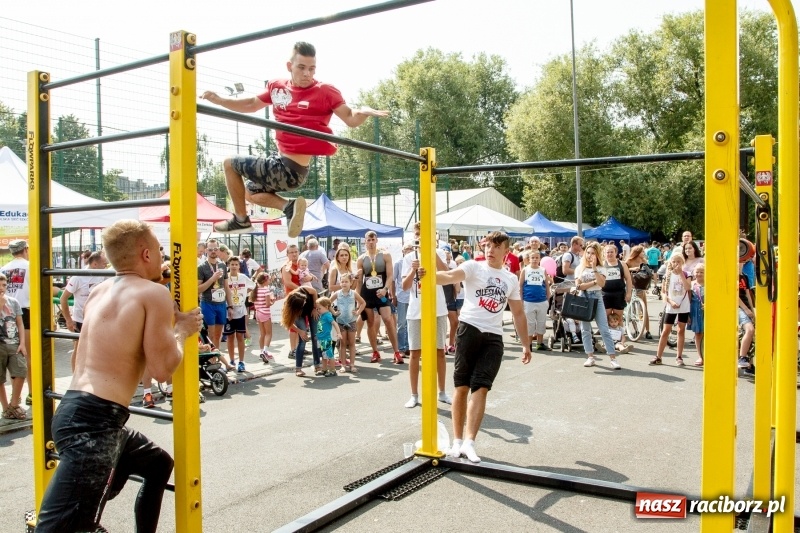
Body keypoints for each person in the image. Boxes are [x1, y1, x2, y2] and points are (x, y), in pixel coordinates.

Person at [35, 220, 203, 533]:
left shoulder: (100, 290)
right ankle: (94, 489)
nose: (163, 256)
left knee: (158, 464)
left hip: (78, 408)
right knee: (60, 529)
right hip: (95, 423)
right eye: (159, 249)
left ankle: (102, 480)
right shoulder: (153, 294)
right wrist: (181, 330)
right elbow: (162, 371)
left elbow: (77, 358)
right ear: (146, 254)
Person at [200, 41, 389, 237]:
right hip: (283, 165)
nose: (307, 73)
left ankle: (240, 220)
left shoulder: (325, 91)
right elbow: (250, 104)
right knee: (250, 193)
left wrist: (363, 112)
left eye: (312, 68)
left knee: (229, 164)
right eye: (301, 68)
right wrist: (220, 100)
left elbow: (350, 117)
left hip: (287, 169)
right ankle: (288, 207)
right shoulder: (278, 88)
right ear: (289, 67)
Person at [435, 231, 531, 463]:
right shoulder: (473, 267)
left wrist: (526, 344)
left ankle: (469, 442)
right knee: (462, 387)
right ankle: (457, 441)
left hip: (493, 337)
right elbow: (448, 276)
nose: (491, 250)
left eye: (497, 246)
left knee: (481, 388)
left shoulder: (509, 279)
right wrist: (429, 274)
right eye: (488, 245)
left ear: (506, 251)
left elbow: (518, 313)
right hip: (469, 330)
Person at [402, 237, 451, 408]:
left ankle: (442, 392)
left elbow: (447, 274)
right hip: (416, 311)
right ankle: (414, 395)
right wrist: (413, 271)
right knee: (415, 352)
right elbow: (404, 286)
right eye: (418, 236)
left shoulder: (439, 253)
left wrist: (433, 255)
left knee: (439, 351)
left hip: (438, 309)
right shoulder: (409, 257)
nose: (421, 239)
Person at [356, 231, 403, 364]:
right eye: (368, 240)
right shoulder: (361, 259)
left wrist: (385, 289)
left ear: (376, 240)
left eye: (372, 239)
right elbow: (359, 281)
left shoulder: (385, 255)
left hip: (381, 293)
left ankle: (397, 352)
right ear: (364, 241)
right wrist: (358, 299)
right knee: (370, 323)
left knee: (388, 320)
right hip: (367, 294)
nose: (370, 242)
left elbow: (390, 276)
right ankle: (375, 352)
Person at [574, 242, 620, 369]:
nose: (590, 255)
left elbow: (602, 284)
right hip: (584, 297)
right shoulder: (580, 268)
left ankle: (613, 358)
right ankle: (590, 357)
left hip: (597, 297)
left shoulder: (601, 268)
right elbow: (579, 286)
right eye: (588, 253)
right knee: (585, 329)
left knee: (604, 329)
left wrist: (594, 269)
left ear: (597, 255)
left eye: (593, 253)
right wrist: (593, 282)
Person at [60, 251, 107, 365]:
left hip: (99, 319)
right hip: (81, 319)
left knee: (98, 349)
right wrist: (69, 320)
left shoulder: (106, 275)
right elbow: (63, 298)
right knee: (79, 349)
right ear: (95, 264)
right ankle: (75, 378)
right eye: (104, 263)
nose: (106, 266)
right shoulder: (78, 277)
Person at [1, 239, 32, 406]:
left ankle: (15, 396)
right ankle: (32, 393)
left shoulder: (4, 269)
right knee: (27, 356)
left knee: (13, 356)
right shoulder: (30, 266)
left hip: (6, 313)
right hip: (26, 312)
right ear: (26, 249)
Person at [651, 253, 691, 366]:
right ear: (670, 263)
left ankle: (679, 356)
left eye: (678, 262)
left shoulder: (687, 274)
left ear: (682, 263)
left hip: (684, 306)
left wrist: (681, 275)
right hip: (671, 306)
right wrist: (670, 301)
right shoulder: (667, 275)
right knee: (665, 330)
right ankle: (658, 356)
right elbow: (663, 293)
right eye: (674, 262)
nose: (676, 264)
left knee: (681, 330)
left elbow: (688, 288)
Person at [198, 239, 233, 352]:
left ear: (218, 250)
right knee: (211, 335)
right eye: (210, 249)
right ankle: (211, 358)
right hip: (208, 304)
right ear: (206, 251)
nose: (213, 251)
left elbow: (226, 287)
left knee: (218, 335)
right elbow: (197, 289)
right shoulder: (201, 267)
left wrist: (230, 306)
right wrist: (212, 279)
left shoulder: (222, 265)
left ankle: (216, 357)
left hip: (221, 304)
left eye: (215, 249)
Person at [0, 273, 26, 420]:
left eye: (4, 285)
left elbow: (20, 323)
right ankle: (6, 408)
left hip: (14, 343)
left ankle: (14, 404)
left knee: (21, 370)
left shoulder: (13, 302)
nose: (2, 288)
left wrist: (22, 343)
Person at [281, 286, 322, 377]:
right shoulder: (288, 305)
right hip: (299, 315)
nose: (304, 304)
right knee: (302, 340)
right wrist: (299, 331)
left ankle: (317, 365)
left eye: (304, 301)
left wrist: (315, 308)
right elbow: (288, 323)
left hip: (312, 309)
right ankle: (298, 368)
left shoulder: (304, 290)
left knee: (315, 337)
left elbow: (315, 291)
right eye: (302, 304)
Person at [600, 244, 633, 354]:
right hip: (605, 294)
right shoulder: (602, 265)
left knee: (618, 319)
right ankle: (607, 342)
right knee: (606, 319)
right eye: (607, 252)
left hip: (619, 294)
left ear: (616, 253)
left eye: (611, 252)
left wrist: (629, 293)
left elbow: (628, 279)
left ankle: (620, 342)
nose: (609, 254)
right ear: (604, 254)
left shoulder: (622, 264)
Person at [225, 256, 256, 372]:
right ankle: (232, 360)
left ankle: (241, 362)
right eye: (232, 264)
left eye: (236, 264)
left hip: (241, 311)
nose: (234, 266)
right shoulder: (225, 278)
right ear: (228, 265)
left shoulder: (243, 277)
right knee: (230, 337)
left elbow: (253, 286)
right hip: (229, 311)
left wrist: (244, 294)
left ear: (239, 266)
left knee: (240, 337)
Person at [330, 273, 365, 372]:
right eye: (342, 282)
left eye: (346, 282)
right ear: (340, 283)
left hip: (352, 321)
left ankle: (352, 364)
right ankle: (343, 365)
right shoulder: (337, 293)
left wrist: (358, 312)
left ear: (350, 283)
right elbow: (328, 302)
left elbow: (363, 303)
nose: (344, 284)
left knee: (352, 343)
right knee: (343, 343)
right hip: (340, 322)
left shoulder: (354, 293)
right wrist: (334, 312)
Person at [520, 250, 551, 351]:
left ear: (539, 259)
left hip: (542, 300)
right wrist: (521, 299)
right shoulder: (525, 270)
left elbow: (546, 284)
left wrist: (548, 295)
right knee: (530, 323)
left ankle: (540, 343)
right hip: (528, 300)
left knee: (541, 322)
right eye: (532, 258)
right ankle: (529, 344)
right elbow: (520, 285)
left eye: (537, 258)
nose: (534, 260)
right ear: (529, 259)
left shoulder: (543, 270)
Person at [252, 272, 276, 363]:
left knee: (262, 334)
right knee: (269, 333)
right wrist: (272, 301)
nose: (269, 281)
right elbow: (267, 304)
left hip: (258, 313)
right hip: (265, 313)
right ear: (265, 281)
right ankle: (265, 351)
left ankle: (261, 351)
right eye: (269, 279)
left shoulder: (256, 290)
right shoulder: (266, 290)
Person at [315, 297, 341, 377]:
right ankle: (324, 369)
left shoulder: (327, 315)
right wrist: (318, 335)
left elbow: (334, 323)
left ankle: (333, 370)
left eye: (319, 308)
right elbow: (320, 326)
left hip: (326, 339)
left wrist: (338, 332)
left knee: (329, 355)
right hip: (321, 339)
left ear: (326, 307)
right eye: (317, 308)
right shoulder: (322, 315)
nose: (318, 310)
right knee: (323, 355)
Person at [689, 263, 705, 366]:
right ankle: (700, 356)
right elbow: (688, 299)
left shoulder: (710, 284)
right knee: (698, 334)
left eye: (701, 272)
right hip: (695, 310)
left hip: (708, 311)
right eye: (697, 272)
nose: (699, 274)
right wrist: (687, 315)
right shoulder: (691, 284)